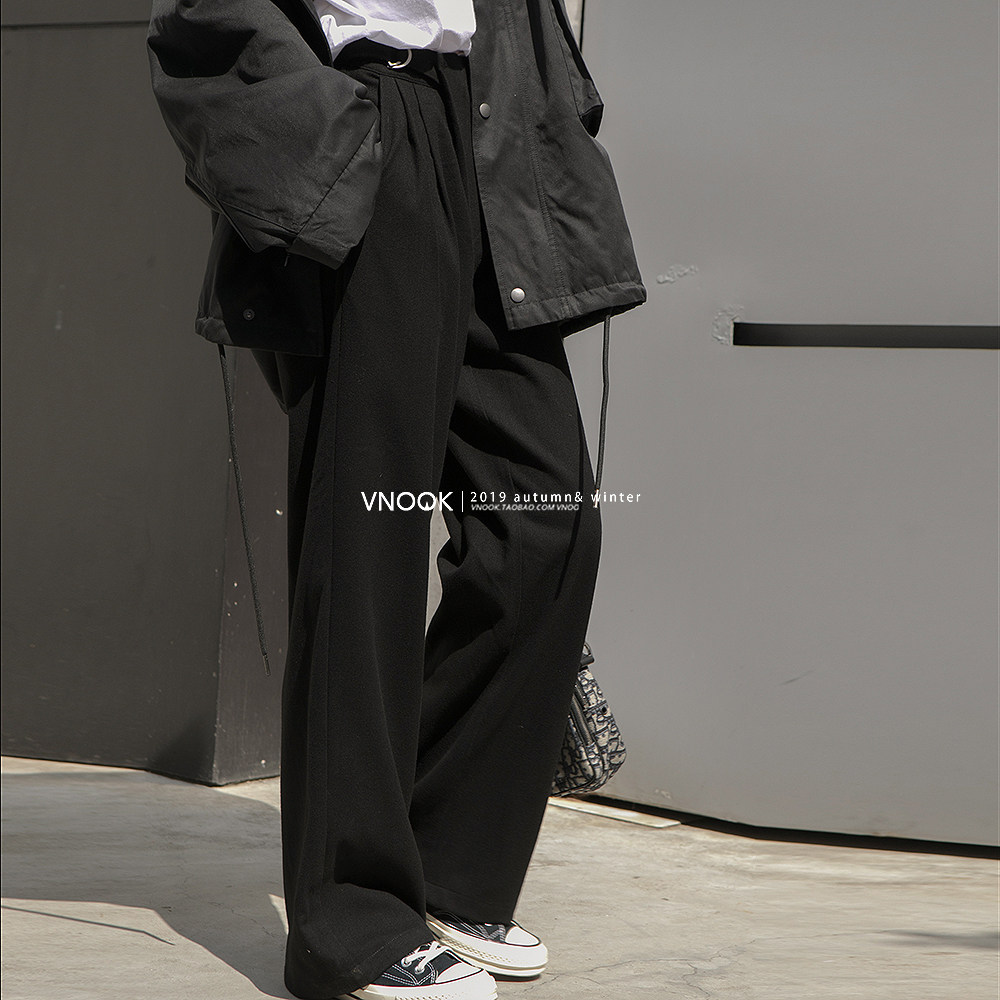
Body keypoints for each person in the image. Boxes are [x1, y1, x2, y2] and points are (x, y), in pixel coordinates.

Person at [148, 2, 645, 998]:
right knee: (364, 544)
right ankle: (349, 923)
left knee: (545, 523)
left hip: (488, 124)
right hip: (371, 115)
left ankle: (448, 870)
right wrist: (338, 131)